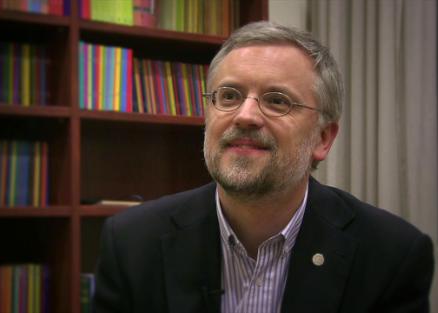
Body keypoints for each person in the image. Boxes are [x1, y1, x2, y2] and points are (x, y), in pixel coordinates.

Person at [93, 21, 434, 313]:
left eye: (276, 101)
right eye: (228, 96)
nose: (245, 116)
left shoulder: (392, 257)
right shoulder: (131, 244)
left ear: (323, 138)